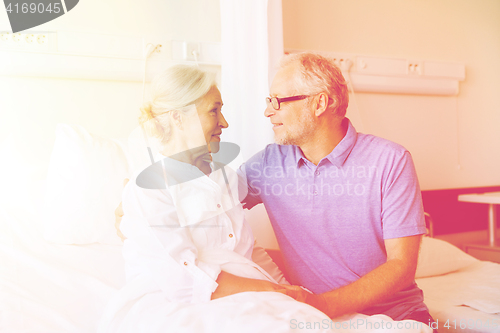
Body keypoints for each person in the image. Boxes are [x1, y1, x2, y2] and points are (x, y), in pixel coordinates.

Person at [100, 65, 307, 332]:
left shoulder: (226, 178)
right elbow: (183, 280)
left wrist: (287, 290)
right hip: (177, 305)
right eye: (214, 110)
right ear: (178, 118)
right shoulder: (149, 187)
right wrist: (275, 291)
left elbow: (246, 252)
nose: (224, 122)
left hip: (243, 295)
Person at [239, 52, 434, 326]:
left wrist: (321, 305)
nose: (268, 111)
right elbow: (209, 203)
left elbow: (401, 266)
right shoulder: (268, 164)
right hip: (316, 319)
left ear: (319, 103)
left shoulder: (390, 161)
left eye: (278, 101)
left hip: (395, 318)